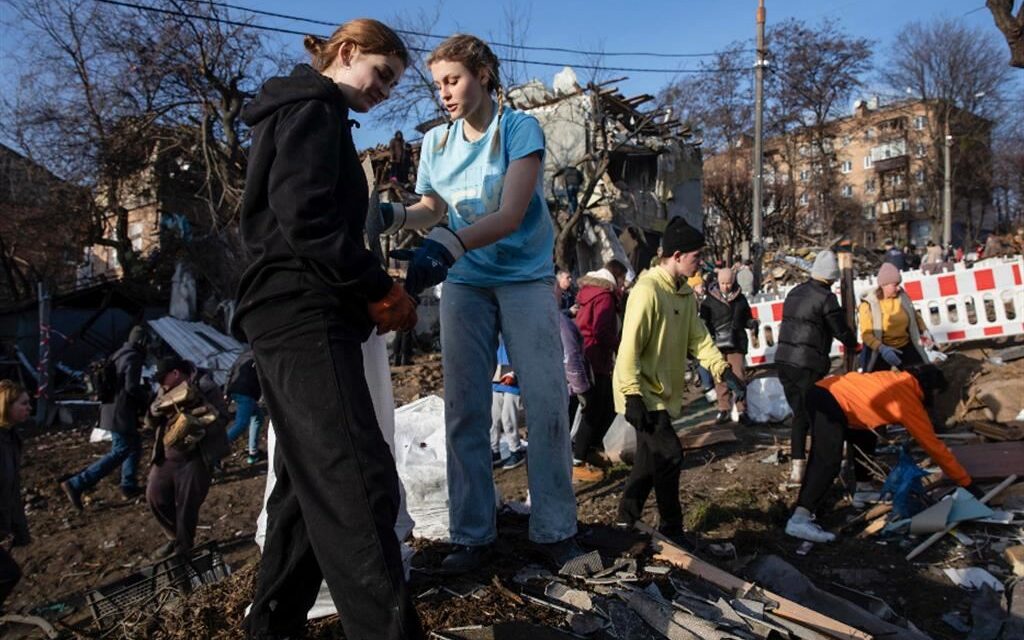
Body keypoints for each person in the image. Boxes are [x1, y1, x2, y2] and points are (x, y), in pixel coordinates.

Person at [231, 18, 422, 640]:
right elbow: (307, 219)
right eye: (383, 74)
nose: (386, 90)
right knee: (357, 482)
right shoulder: (314, 109)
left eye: (393, 83)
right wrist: (377, 286)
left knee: (304, 484)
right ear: (345, 53)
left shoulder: (300, 110)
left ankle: (273, 629)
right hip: (302, 311)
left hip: (291, 312)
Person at [372, 33, 580, 573]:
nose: (443, 91)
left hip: (523, 278)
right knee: (465, 409)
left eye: (453, 79)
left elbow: (511, 214)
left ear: (482, 74)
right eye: (437, 82)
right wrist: (394, 217)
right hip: (464, 282)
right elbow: (431, 207)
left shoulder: (518, 129)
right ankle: (472, 536)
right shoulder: (437, 144)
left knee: (545, 402)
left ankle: (556, 531)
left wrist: (450, 242)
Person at [613, 218, 743, 542]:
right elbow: (629, 346)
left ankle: (623, 520)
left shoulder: (684, 293)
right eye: (696, 257)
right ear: (676, 255)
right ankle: (672, 528)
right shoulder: (647, 291)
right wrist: (631, 395)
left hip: (661, 392)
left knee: (647, 462)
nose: (700, 263)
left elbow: (698, 339)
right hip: (642, 392)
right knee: (670, 454)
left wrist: (722, 369)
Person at [785, 365, 982, 543]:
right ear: (930, 389)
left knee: (866, 437)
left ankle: (862, 489)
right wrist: (966, 483)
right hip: (829, 399)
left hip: (831, 393)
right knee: (827, 460)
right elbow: (933, 446)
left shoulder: (896, 378)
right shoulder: (908, 400)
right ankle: (800, 518)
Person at [774, 251, 858, 484]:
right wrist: (854, 344)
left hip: (784, 360)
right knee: (815, 415)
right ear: (831, 278)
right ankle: (822, 465)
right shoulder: (826, 298)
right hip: (807, 364)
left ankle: (797, 469)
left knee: (799, 414)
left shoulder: (795, 291)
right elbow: (839, 330)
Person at [146, 357, 230, 559]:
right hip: (166, 454)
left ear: (176, 373)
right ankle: (174, 537)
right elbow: (150, 423)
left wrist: (200, 421)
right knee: (155, 496)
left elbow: (223, 418)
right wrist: (153, 411)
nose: (160, 383)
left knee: (187, 505)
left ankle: (183, 549)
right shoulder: (164, 390)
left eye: (163, 378)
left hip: (196, 456)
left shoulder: (205, 386)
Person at [61, 326, 148, 510]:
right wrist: (147, 398)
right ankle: (77, 483)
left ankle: (128, 485)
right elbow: (131, 387)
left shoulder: (118, 354)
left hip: (110, 410)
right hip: (121, 413)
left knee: (133, 445)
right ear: (142, 342)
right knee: (121, 450)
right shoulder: (133, 357)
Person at [573, 260, 626, 470]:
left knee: (597, 406)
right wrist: (619, 348)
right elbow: (602, 330)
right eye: (622, 280)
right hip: (597, 357)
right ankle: (582, 456)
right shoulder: (605, 296)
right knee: (602, 407)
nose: (623, 286)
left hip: (586, 353)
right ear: (616, 277)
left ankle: (588, 451)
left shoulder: (590, 292)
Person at [700, 267, 758, 425]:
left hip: (736, 342)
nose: (726, 286)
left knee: (739, 375)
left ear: (734, 281)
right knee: (720, 376)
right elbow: (703, 322)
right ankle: (723, 409)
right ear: (718, 282)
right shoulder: (709, 301)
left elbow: (746, 317)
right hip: (717, 343)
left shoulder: (740, 299)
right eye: (723, 283)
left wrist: (750, 323)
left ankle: (742, 410)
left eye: (729, 283)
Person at [858, 262, 931, 372]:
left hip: (906, 345)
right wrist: (882, 349)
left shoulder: (902, 297)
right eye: (894, 285)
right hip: (881, 349)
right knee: (880, 384)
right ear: (883, 285)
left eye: (899, 284)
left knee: (923, 376)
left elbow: (915, 316)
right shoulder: (869, 304)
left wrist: (924, 331)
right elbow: (866, 334)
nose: (898, 288)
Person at [0, 381, 31, 611]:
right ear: (6, 406)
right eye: (23, 404)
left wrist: (19, 529)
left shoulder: (11, 439)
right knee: (8, 574)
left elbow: (11, 489)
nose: (29, 407)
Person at [224, 348, 264, 465]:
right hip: (246, 393)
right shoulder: (261, 355)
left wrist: (226, 391)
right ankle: (215, 452)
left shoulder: (244, 354)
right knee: (241, 424)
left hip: (235, 390)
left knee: (258, 417)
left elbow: (230, 372)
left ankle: (253, 452)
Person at [490, 339, 525, 470]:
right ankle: (494, 451)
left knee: (508, 419)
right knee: (494, 418)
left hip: (513, 380)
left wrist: (514, 373)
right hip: (496, 378)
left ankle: (515, 451)